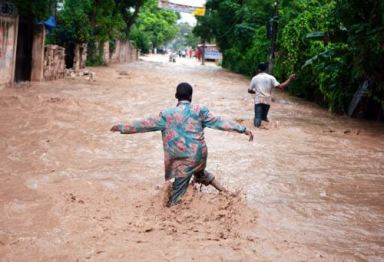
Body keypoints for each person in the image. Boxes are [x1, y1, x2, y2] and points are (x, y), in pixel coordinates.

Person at [111, 82, 253, 206]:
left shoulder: (166, 114)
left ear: (176, 96)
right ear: (191, 97)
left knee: (176, 197)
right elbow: (220, 121)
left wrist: (122, 127)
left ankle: (175, 209)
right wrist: (243, 129)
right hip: (199, 154)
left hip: (182, 159)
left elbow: (143, 124)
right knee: (199, 172)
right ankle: (227, 193)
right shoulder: (199, 111)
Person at [248, 63, 296, 128]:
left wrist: (255, 92)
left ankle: (256, 131)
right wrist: (289, 79)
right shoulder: (271, 78)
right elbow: (281, 86)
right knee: (264, 118)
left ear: (258, 70)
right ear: (266, 69)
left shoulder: (255, 78)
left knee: (257, 118)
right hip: (267, 101)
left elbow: (249, 90)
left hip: (258, 100)